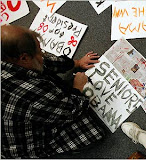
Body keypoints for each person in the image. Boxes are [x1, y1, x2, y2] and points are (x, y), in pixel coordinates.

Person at [1, 25, 105, 158]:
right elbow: (72, 109)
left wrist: (76, 63)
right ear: (24, 58)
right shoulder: (30, 96)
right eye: (39, 52)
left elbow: (44, 62)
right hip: (24, 145)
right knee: (90, 131)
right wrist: (78, 87)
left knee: (40, 67)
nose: (43, 54)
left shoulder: (7, 57)